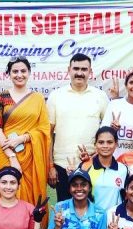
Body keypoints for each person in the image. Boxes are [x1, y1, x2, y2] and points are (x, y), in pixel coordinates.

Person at [46, 53, 110, 202]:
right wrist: (50, 166)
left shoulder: (100, 96)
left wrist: (96, 157)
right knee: (66, 211)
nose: (80, 73)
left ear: (90, 72)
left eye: (84, 69)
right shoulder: (56, 96)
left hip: (92, 164)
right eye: (76, 68)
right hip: (61, 164)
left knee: (92, 209)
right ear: (69, 70)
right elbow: (48, 134)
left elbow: (107, 134)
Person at [0, 56, 51, 211]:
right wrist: (11, 156)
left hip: (31, 153)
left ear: (29, 72)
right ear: (9, 74)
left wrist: (22, 138)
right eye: (15, 71)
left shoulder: (38, 98)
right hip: (6, 152)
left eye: (23, 71)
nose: (19, 75)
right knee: (9, 190)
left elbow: (44, 129)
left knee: (33, 194)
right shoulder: (1, 97)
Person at [79, 126, 128, 212]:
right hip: (91, 219)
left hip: (114, 220)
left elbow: (127, 197)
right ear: (95, 144)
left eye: (109, 142)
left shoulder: (123, 169)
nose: (105, 146)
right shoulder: (85, 167)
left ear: (116, 144)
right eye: (101, 142)